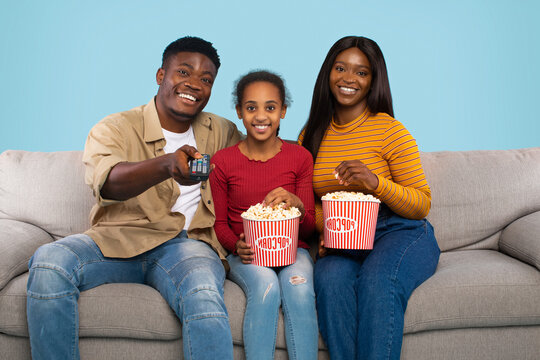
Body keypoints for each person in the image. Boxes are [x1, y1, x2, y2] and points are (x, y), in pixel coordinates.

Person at [26, 36, 242, 360]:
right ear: (160, 76)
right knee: (49, 262)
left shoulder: (222, 131)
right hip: (118, 239)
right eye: (184, 72)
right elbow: (109, 183)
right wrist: (166, 164)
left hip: (187, 246)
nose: (194, 84)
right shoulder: (115, 127)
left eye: (206, 79)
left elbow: (264, 153)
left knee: (203, 293)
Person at [299, 36, 441, 360]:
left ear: (373, 81)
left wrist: (375, 182)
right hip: (343, 235)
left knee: (379, 282)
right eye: (341, 68)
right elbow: (312, 207)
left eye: (361, 73)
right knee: (329, 280)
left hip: (398, 230)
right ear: (327, 73)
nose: (349, 78)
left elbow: (421, 204)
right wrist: (325, 228)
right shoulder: (311, 134)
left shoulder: (390, 130)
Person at [209, 70, 318, 360]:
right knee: (267, 286)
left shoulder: (300, 158)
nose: (261, 116)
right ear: (239, 112)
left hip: (294, 250)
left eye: (270, 107)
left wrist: (296, 202)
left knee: (300, 289)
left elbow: (308, 229)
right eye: (251, 107)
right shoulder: (223, 162)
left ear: (282, 111)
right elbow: (219, 223)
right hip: (248, 255)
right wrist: (236, 245)